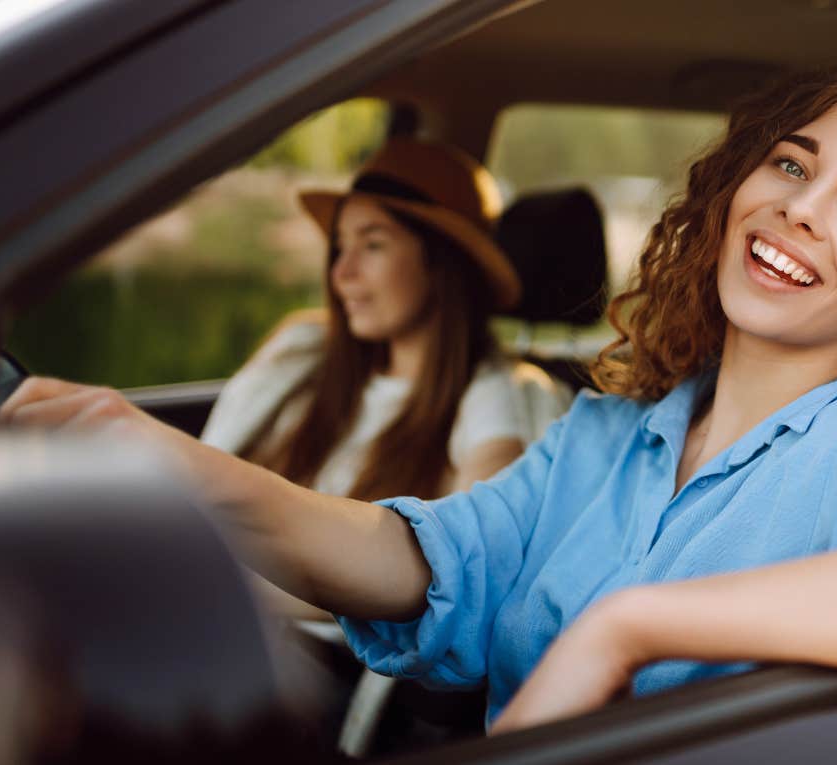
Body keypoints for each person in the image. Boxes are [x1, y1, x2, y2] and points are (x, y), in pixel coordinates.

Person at [0, 63, 837, 735]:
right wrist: (168, 463)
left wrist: (633, 625)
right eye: (790, 166)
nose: (798, 209)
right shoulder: (606, 433)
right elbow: (422, 563)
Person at [200, 138, 571, 618]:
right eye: (339, 247)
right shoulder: (302, 353)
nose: (342, 274)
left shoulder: (499, 393)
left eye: (373, 244)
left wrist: (217, 584)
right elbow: (197, 486)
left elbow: (469, 563)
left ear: (443, 263)